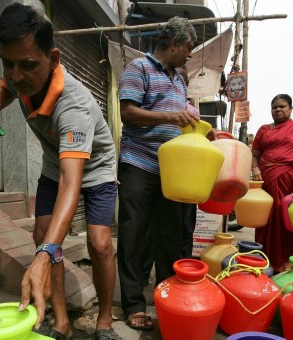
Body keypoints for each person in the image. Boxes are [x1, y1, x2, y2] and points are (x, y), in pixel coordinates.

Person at [0, 4, 120, 340]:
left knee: (99, 244)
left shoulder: (74, 106)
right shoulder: (20, 78)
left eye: (27, 65)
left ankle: (106, 321)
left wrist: (46, 255)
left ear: (53, 59)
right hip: (56, 162)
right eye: (8, 63)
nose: (17, 73)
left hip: (95, 168)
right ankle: (62, 322)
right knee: (42, 236)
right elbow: (7, 86)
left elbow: (73, 180)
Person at [116, 17, 198, 331]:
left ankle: (167, 298)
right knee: (135, 235)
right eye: (189, 47)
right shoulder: (138, 69)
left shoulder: (180, 79)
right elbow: (127, 113)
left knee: (169, 238)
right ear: (174, 43)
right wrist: (169, 115)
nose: (190, 54)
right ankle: (134, 304)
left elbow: (181, 120)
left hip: (172, 171)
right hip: (139, 164)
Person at [251, 94, 293, 272]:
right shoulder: (264, 130)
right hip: (266, 179)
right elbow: (255, 154)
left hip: (289, 179)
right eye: (274, 107)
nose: (278, 110)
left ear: (290, 108)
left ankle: (286, 260)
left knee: (286, 218)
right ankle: (265, 257)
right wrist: (255, 169)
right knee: (266, 218)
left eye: (282, 106)